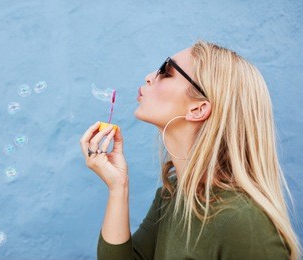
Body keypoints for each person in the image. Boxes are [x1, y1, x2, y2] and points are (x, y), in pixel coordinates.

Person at [79, 40, 301, 260]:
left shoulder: (245, 224)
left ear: (198, 109)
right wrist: (119, 187)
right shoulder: (173, 195)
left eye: (166, 72)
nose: (149, 76)